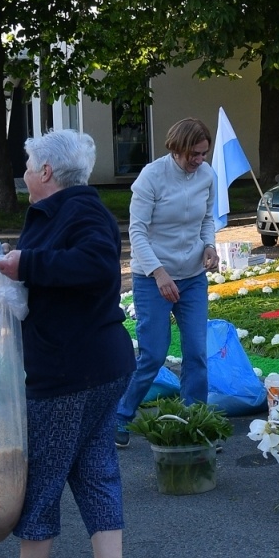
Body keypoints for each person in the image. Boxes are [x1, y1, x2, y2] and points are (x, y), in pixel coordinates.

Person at [0, 129, 138, 558]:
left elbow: (95, 264)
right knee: (93, 469)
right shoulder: (68, 211)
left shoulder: (81, 209)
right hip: (94, 364)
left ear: (47, 172)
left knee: (43, 471)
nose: (24, 174)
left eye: (27, 165)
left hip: (71, 368)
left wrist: (27, 263)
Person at [114, 117, 219, 445]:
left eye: (203, 154)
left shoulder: (207, 175)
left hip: (192, 278)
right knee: (154, 355)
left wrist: (211, 246)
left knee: (196, 353)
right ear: (177, 148)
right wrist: (158, 273)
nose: (199, 160)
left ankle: (195, 425)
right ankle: (121, 415)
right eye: (193, 154)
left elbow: (207, 219)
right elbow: (137, 233)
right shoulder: (152, 177)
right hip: (152, 278)